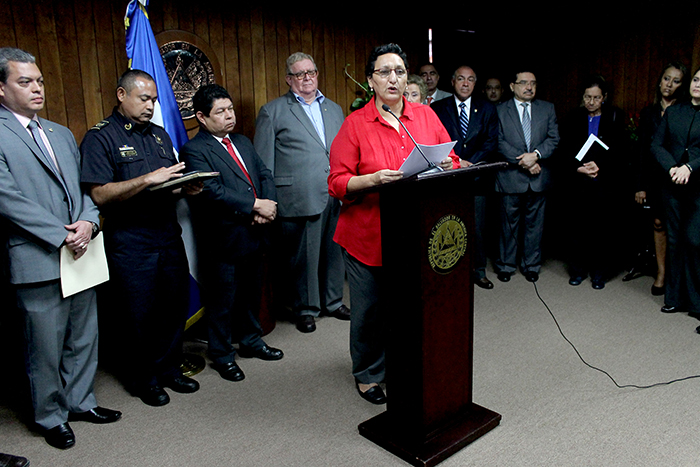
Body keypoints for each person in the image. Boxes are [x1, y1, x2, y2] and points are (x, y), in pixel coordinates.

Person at [0, 47, 120, 450]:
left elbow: (84, 187)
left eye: (39, 81)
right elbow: (7, 198)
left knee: (83, 336)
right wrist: (61, 234)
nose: (37, 88)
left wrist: (88, 221)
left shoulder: (60, 132)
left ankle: (81, 402)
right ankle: (50, 416)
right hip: (37, 255)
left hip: (81, 252)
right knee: (44, 347)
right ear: (1, 88)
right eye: (25, 82)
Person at [328, 43, 458, 405]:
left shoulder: (425, 116)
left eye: (399, 71)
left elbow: (450, 156)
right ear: (371, 80)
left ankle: (403, 362)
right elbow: (336, 182)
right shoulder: (355, 124)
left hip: (416, 232)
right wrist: (370, 180)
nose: (393, 78)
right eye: (384, 72)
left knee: (408, 307)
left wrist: (448, 164)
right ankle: (368, 374)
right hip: (368, 235)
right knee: (370, 311)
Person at [80, 69, 201, 407]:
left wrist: (185, 187)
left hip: (167, 234)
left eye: (154, 100)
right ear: (122, 95)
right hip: (130, 240)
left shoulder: (160, 135)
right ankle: (142, 379)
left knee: (172, 306)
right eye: (144, 98)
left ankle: (169, 369)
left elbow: (168, 185)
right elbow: (99, 194)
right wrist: (147, 179)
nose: (150, 106)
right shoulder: (100, 137)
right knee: (137, 315)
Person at [181, 84, 284, 382]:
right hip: (223, 238)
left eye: (230, 109)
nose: (229, 116)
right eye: (220, 112)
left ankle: (251, 340)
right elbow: (211, 191)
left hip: (255, 231)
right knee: (222, 301)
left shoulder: (242, 141)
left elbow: (264, 174)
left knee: (252, 294)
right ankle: (222, 354)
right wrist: (255, 206)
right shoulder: (194, 150)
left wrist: (268, 205)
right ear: (201, 117)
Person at [254, 52, 349, 334]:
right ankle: (306, 308)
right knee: (304, 258)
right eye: (299, 74)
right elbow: (263, 164)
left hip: (334, 192)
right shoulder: (272, 111)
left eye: (311, 72)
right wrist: (267, 201)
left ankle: (333, 301)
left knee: (335, 251)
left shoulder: (334, 109)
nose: (307, 78)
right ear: (288, 79)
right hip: (298, 195)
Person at [431, 65, 499, 289]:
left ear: (475, 84)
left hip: (477, 178)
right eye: (461, 79)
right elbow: (436, 140)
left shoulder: (487, 108)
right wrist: (457, 162)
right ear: (452, 82)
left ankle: (479, 271)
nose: (465, 83)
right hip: (448, 177)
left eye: (470, 79)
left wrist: (470, 164)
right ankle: (451, 273)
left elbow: (491, 142)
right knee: (449, 227)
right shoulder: (438, 108)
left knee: (477, 228)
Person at [560, 74, 628, 289]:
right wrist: (578, 168)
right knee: (577, 228)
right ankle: (577, 270)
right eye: (587, 97)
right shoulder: (573, 117)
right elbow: (564, 149)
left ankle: (599, 273)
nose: (591, 102)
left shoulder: (615, 116)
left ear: (604, 97)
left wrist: (600, 166)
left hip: (604, 181)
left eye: (596, 97)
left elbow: (621, 151)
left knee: (602, 229)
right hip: (578, 181)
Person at [494, 69, 560, 283]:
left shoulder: (547, 108)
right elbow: (498, 141)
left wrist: (536, 155)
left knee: (535, 226)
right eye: (523, 83)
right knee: (508, 225)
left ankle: (531, 265)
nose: (529, 87)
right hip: (510, 177)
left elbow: (554, 138)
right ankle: (506, 265)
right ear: (512, 86)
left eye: (533, 83)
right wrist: (524, 161)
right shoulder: (499, 110)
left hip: (539, 178)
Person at [629, 62, 687, 295]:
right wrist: (640, 185)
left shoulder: (686, 111)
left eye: (676, 80)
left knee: (679, 227)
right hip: (654, 179)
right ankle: (661, 273)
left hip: (679, 177)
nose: (669, 84)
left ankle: (678, 276)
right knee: (658, 223)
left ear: (682, 85)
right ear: (660, 81)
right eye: (666, 78)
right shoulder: (649, 113)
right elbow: (642, 151)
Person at [651, 66, 700, 329]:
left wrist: (690, 167)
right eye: (696, 79)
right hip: (672, 187)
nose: (698, 84)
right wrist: (672, 167)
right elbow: (656, 145)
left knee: (695, 242)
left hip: (698, 188)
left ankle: (698, 304)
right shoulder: (674, 112)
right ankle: (674, 298)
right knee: (675, 242)